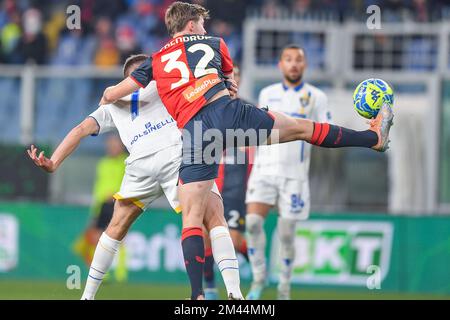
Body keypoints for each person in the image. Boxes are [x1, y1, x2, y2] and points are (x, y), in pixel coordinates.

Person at [99, 1, 394, 300]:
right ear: (190, 26)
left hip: (198, 133)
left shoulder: (156, 60)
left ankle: (197, 295)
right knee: (302, 129)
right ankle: (372, 138)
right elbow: (230, 84)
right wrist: (226, 85)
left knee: (192, 217)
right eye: (200, 23)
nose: (204, 28)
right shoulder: (216, 43)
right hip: (231, 116)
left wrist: (107, 97)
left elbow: (117, 92)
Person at [27, 53, 222, 300]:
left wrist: (54, 162)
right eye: (146, 72)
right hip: (173, 157)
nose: (151, 75)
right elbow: (203, 90)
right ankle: (216, 294)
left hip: (144, 165)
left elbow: (80, 130)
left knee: (116, 229)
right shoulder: (164, 88)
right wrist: (224, 85)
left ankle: (87, 297)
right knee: (211, 217)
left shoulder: (116, 102)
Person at [245, 44, 331, 300]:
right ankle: (259, 280)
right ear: (280, 65)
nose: (293, 64)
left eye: (298, 60)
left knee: (286, 232)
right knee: (252, 223)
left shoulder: (317, 97)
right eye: (288, 59)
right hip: (264, 169)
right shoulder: (267, 94)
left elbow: (325, 131)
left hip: (294, 174)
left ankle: (284, 285)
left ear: (304, 65)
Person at [203, 65, 252, 300]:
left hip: (236, 183)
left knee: (231, 239)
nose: (233, 81)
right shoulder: (208, 109)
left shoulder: (247, 110)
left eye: (236, 76)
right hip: (211, 180)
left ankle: (250, 257)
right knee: (204, 237)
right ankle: (210, 288)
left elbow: (257, 150)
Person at [73, 134, 128, 283]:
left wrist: (117, 195)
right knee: (93, 240)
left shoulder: (125, 162)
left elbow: (127, 183)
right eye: (109, 144)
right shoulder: (103, 163)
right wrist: (96, 205)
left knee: (119, 238)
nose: (111, 147)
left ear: (121, 146)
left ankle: (121, 274)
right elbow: (99, 186)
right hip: (101, 205)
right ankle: (102, 273)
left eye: (114, 144)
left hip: (116, 203)